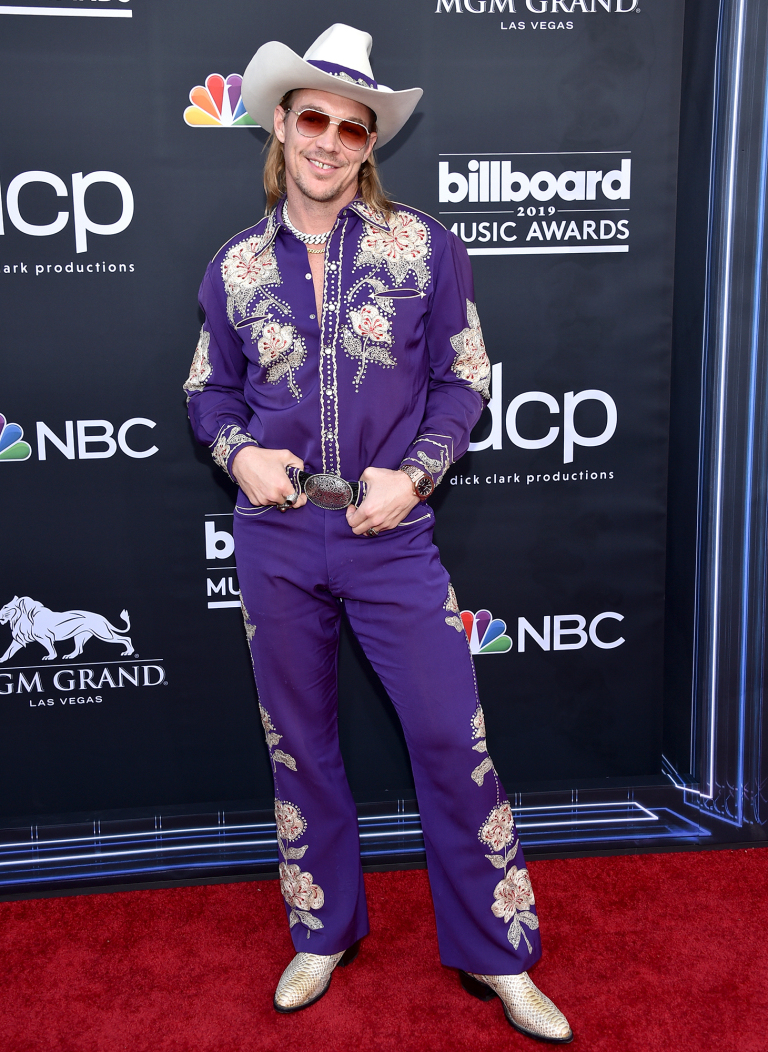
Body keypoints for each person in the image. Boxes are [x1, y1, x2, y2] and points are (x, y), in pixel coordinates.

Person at [184, 23, 572, 1044]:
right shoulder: (231, 269)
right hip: (275, 538)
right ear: (280, 122)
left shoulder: (427, 248)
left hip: (391, 535)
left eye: (352, 127)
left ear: (370, 143)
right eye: (313, 118)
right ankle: (323, 929)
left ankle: (502, 954)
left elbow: (464, 377)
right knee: (300, 747)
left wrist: (416, 473)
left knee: (453, 737)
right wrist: (237, 453)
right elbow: (204, 389)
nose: (330, 141)